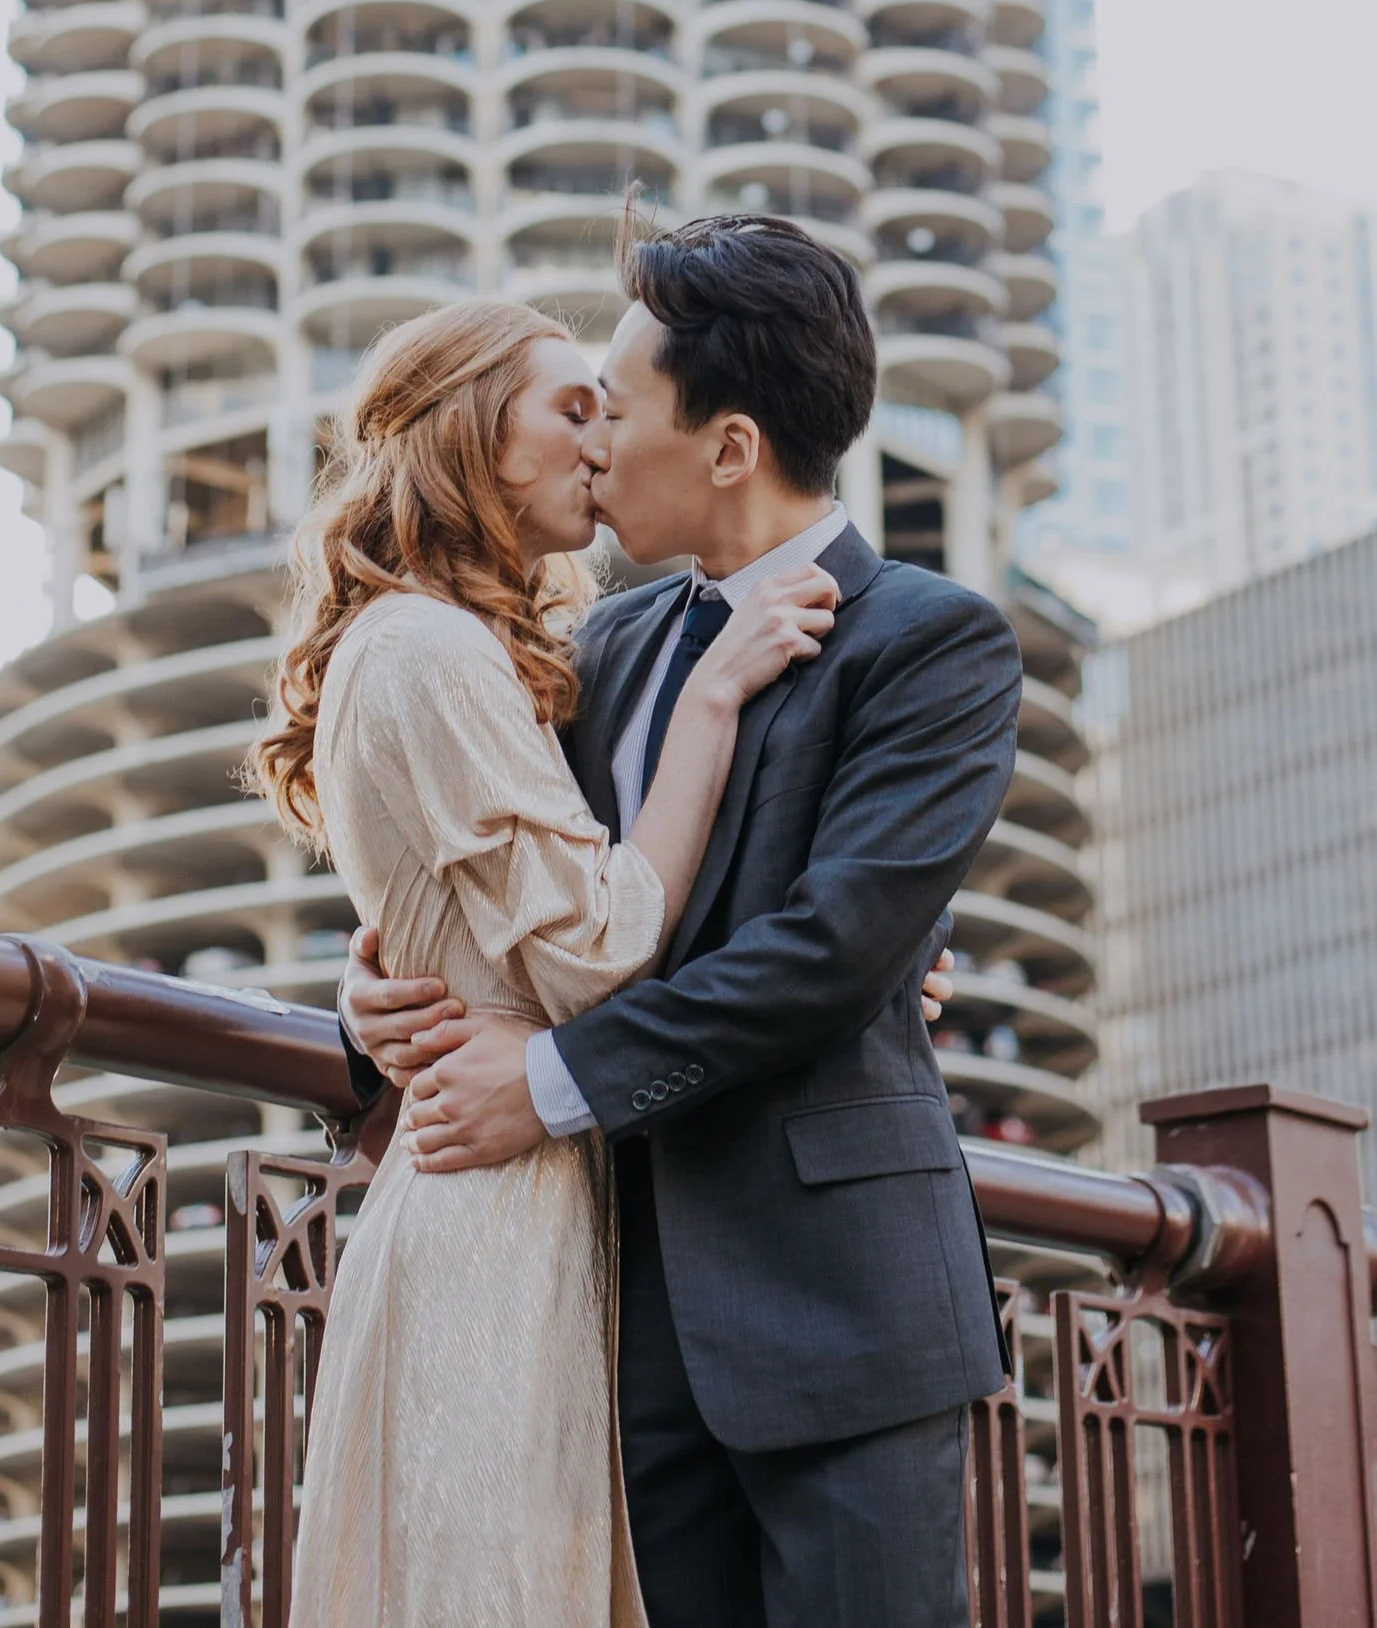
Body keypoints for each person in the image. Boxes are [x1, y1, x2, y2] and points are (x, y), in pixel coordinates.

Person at [339, 207, 1022, 1628]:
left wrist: (546, 1085)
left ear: (729, 447)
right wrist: (374, 1000)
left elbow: (835, 952)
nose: (594, 448)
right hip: (613, 1324)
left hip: (838, 1313)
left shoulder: (935, 644)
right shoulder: (599, 645)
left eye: (620, 411)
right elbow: (518, 907)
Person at [247, 295, 844, 1628]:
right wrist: (709, 699)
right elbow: (594, 951)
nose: (602, 442)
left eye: (609, 408)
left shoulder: (437, 649)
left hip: (505, 1197)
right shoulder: (435, 652)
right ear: (468, 431)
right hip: (495, 1210)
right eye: (570, 408)